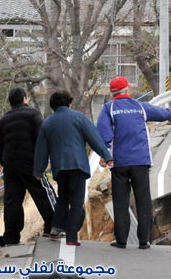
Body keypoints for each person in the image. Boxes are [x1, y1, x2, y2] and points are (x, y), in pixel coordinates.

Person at [96, 76, 171, 250]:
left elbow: (104, 134)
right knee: (143, 199)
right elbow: (159, 113)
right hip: (141, 161)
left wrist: (104, 154)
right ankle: (144, 241)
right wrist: (169, 114)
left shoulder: (109, 108)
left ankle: (121, 240)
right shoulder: (139, 106)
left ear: (112, 93)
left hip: (120, 163)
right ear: (127, 90)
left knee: (121, 201)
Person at [34, 91, 113, 247]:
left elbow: (41, 149)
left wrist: (38, 170)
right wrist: (107, 155)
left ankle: (56, 228)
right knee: (76, 202)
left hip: (60, 168)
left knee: (63, 197)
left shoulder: (48, 123)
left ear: (53, 106)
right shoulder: (79, 117)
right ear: (69, 103)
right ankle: (71, 237)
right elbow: (94, 138)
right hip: (77, 166)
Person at [0, 88, 57, 247]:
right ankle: (55, 224)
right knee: (43, 192)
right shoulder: (33, 114)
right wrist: (42, 160)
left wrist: (5, 162)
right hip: (30, 162)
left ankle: (11, 236)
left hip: (10, 165)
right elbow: (42, 137)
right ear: (24, 99)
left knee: (12, 200)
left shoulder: (3, 120)